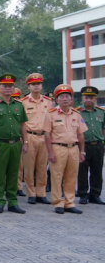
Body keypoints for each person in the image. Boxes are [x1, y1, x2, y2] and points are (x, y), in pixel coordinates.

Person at [0, 74, 29, 214]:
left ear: (14, 88)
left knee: (13, 173)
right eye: (5, 86)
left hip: (16, 144)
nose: (8, 89)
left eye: (10, 86)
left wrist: (25, 142)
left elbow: (23, 125)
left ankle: (13, 202)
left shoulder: (19, 105)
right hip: (0, 144)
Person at [43, 84, 86, 214]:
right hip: (58, 147)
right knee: (56, 176)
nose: (65, 99)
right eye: (62, 97)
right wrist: (50, 152)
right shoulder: (50, 114)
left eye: (67, 96)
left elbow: (80, 134)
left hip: (73, 148)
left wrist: (82, 151)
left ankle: (69, 202)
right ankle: (58, 203)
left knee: (72, 176)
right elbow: (47, 134)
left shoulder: (77, 115)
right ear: (57, 100)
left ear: (72, 99)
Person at [19, 73, 53, 204]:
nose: (36, 86)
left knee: (42, 167)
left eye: (38, 84)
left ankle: (41, 193)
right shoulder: (23, 102)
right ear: (29, 86)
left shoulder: (48, 102)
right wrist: (25, 141)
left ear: (42, 85)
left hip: (44, 137)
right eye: (33, 84)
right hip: (29, 136)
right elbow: (21, 123)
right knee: (29, 167)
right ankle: (31, 193)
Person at [77, 86, 105, 205]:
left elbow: (103, 129)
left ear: (95, 99)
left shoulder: (101, 112)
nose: (89, 100)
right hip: (83, 146)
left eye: (91, 98)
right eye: (86, 97)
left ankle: (95, 194)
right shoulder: (77, 112)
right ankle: (83, 194)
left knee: (97, 171)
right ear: (82, 98)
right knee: (82, 171)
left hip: (98, 145)